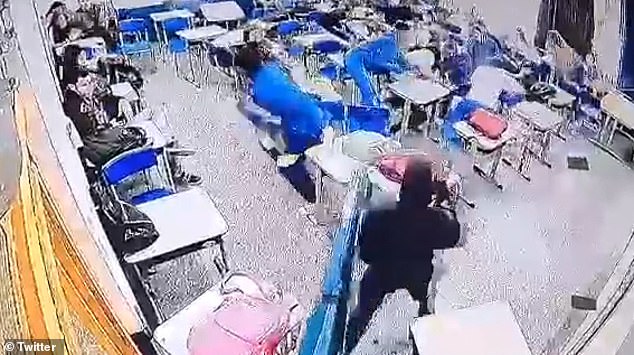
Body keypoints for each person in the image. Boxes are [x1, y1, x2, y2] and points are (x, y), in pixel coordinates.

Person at [344, 157, 461, 354]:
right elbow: (454, 236)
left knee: (360, 317)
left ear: (402, 189)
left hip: (381, 275)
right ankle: (418, 344)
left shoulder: (378, 215)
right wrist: (444, 203)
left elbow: (365, 254)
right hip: (417, 278)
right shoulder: (436, 220)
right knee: (423, 320)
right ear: (428, 195)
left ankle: (349, 346)